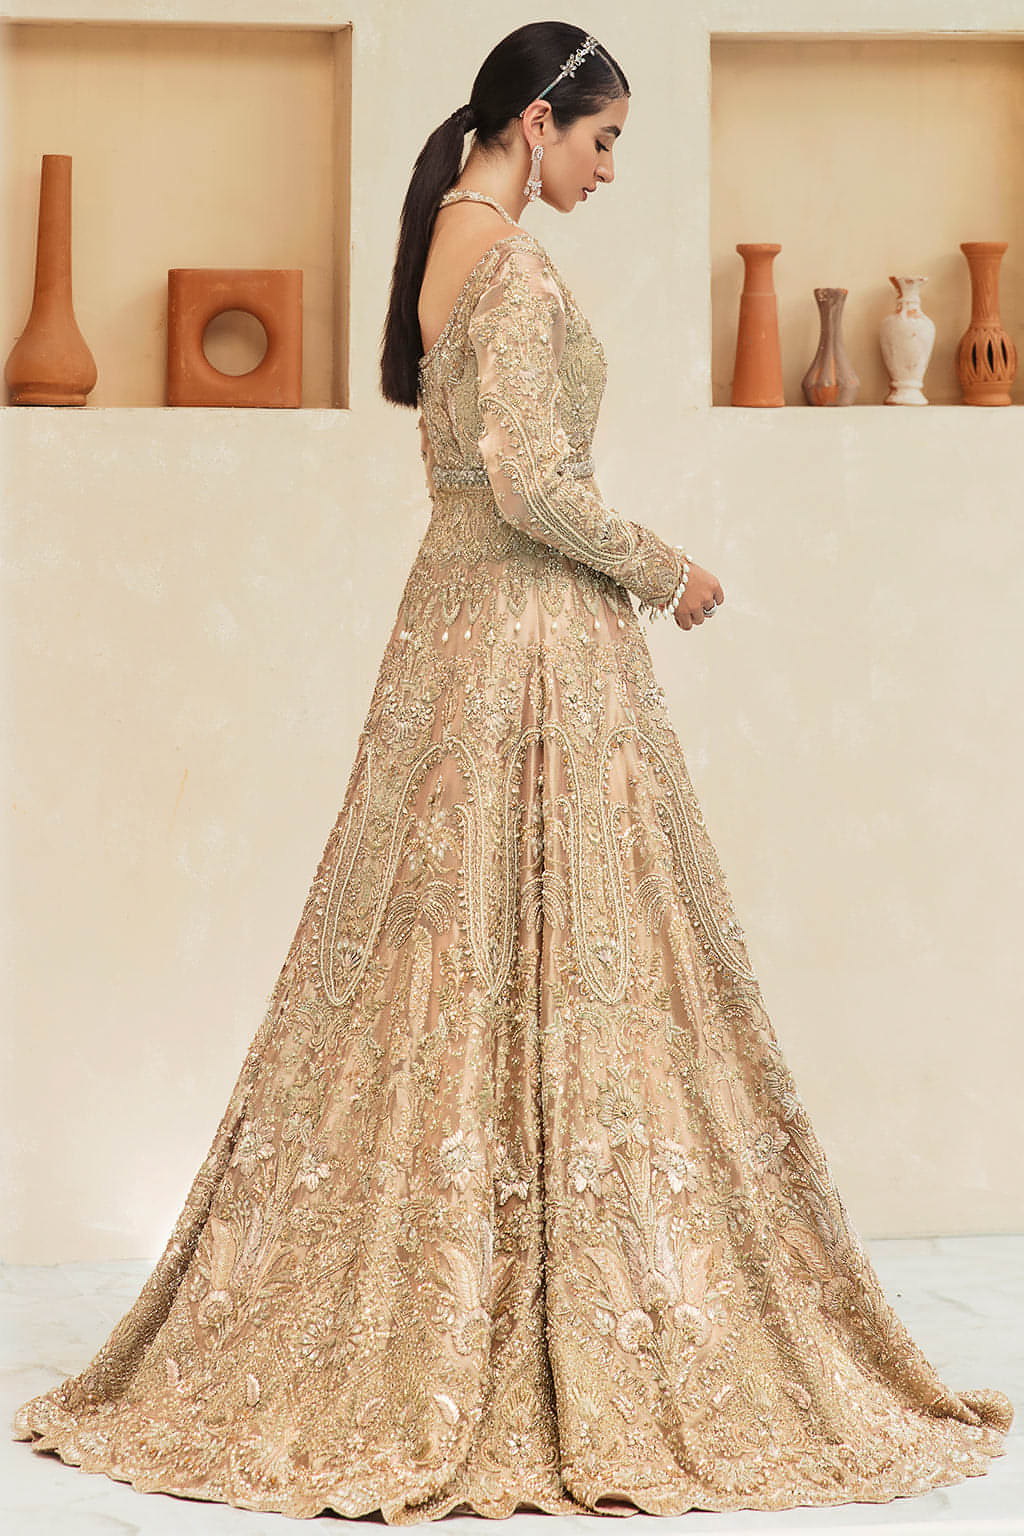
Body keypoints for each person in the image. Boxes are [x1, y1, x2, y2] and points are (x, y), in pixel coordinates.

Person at [12, 19, 1013, 1524]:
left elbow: (480, 475)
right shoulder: (517, 266)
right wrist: (666, 568)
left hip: (451, 630)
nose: (611, 171)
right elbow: (535, 484)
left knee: (447, 958)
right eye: (603, 141)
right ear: (536, 122)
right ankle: (533, 1317)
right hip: (529, 642)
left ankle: (461, 1293)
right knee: (545, 951)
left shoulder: (444, 243)